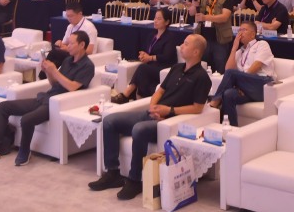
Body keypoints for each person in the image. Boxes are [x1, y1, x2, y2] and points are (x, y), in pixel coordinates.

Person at [89, 35, 212, 200]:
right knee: (110, 121)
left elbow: (197, 108)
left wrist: (169, 111)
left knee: (139, 129)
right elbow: (159, 91)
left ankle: (134, 180)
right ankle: (112, 173)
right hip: (153, 113)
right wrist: (153, 107)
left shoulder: (202, 77)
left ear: (196, 52)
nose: (181, 46)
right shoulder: (176, 68)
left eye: (186, 44)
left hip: (169, 121)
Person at [0, 30, 95, 164]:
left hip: (57, 104)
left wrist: (54, 71)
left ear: (82, 45)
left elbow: (73, 87)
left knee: (27, 119)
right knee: (3, 106)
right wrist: (49, 72)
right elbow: (55, 84)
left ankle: (25, 151)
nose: (67, 46)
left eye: (71, 44)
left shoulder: (87, 66)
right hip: (45, 98)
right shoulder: (68, 60)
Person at [209, 20, 276, 125]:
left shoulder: (261, 44)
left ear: (253, 34)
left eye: (244, 30)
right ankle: (231, 129)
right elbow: (227, 69)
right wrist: (234, 48)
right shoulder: (240, 51)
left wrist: (241, 83)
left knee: (232, 74)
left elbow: (257, 65)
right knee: (228, 94)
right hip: (247, 88)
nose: (240, 33)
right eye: (239, 30)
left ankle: (214, 102)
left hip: (263, 84)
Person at [113, 8, 179, 102]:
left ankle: (126, 94)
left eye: (159, 19)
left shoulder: (170, 37)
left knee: (142, 68)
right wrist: (143, 55)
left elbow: (167, 56)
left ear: (167, 22)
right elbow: (148, 51)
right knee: (143, 71)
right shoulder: (152, 35)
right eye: (155, 18)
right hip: (152, 65)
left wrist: (150, 58)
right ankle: (140, 99)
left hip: (164, 67)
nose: (155, 21)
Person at [190, 0, 236, 71]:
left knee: (220, 67)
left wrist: (205, 17)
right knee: (202, 66)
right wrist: (194, 4)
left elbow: (224, 17)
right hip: (202, 36)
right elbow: (191, 13)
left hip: (219, 38)